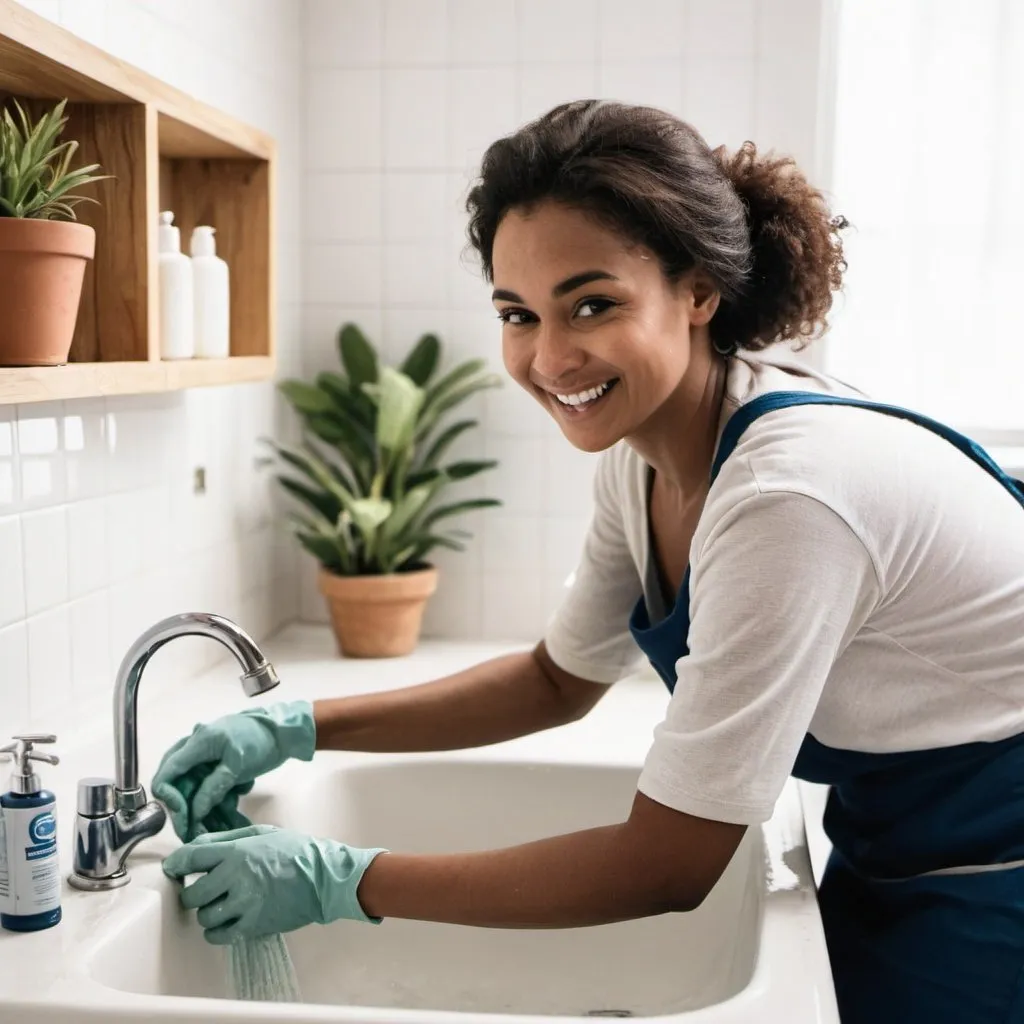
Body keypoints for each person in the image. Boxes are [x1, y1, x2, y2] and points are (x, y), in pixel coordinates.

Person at [155, 100, 1024, 1023]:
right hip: (901, 851)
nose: (550, 356)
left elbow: (670, 864)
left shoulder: (784, 497)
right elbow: (555, 681)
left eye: (593, 304)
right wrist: (296, 727)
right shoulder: (650, 454)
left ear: (697, 292)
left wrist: (345, 882)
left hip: (997, 881)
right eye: (517, 313)